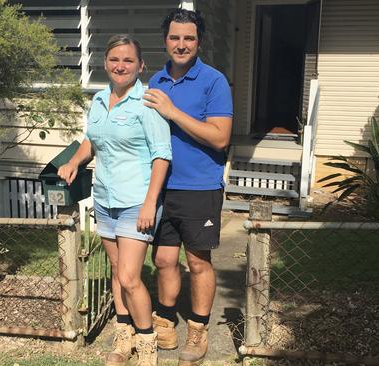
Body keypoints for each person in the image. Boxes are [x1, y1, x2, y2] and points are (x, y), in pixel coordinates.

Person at [58, 35, 172, 366]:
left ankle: (147, 343)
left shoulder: (147, 103)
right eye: (114, 60)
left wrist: (151, 203)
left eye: (127, 60)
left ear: (140, 65)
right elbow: (91, 140)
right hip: (105, 199)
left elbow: (162, 156)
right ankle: (123, 338)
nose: (120, 66)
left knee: (129, 277)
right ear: (106, 63)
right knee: (115, 269)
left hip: (137, 200)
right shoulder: (97, 100)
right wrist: (74, 161)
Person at [142, 9, 233, 366]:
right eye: (175, 37)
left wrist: (174, 112)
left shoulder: (213, 81)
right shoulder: (155, 81)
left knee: (197, 262)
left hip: (200, 187)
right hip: (161, 186)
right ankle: (164, 319)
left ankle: (197, 329)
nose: (181, 45)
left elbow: (220, 137)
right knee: (163, 259)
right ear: (165, 40)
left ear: (199, 41)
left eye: (189, 38)